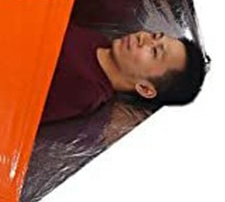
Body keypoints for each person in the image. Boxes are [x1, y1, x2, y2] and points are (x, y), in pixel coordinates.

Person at [40, 20, 207, 125]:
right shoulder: (98, 40)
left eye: (154, 51)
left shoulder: (86, 91)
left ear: (145, 88)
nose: (143, 38)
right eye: (154, 36)